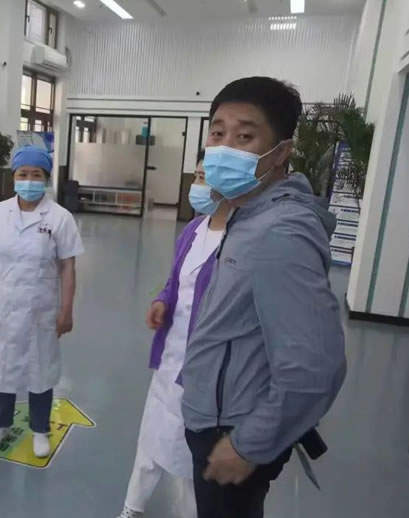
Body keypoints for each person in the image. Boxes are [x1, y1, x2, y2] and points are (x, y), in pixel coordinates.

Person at [181, 77, 347, 518]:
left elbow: (314, 366)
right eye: (218, 133)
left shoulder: (280, 232)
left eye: (245, 137)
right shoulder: (248, 214)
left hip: (232, 428)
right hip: (217, 412)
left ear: (280, 152)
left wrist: (248, 444)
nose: (224, 148)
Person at [116, 150, 228, 518]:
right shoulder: (194, 230)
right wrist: (162, 300)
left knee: (189, 454)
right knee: (151, 436)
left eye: (204, 178)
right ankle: (133, 507)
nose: (198, 185)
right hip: (169, 358)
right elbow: (176, 281)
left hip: (203, 369)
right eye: (196, 176)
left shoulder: (239, 240)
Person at [0, 146, 84, 458]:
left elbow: (68, 267)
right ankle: (0, 425)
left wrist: (66, 309)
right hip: (4, 304)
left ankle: (39, 429)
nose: (29, 180)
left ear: (46, 179)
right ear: (14, 177)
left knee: (40, 368)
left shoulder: (60, 218)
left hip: (41, 307)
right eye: (23, 174)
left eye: (36, 175)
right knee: (3, 365)